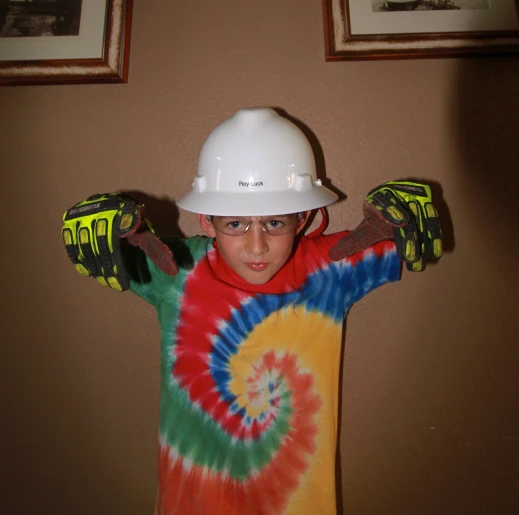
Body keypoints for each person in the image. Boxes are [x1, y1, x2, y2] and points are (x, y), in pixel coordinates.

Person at [61, 107, 442, 515]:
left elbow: (407, 238)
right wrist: (96, 221)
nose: (257, 246)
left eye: (275, 222)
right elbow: (101, 251)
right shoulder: (176, 270)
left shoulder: (332, 269)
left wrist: (405, 215)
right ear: (206, 221)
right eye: (236, 225)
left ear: (306, 219)